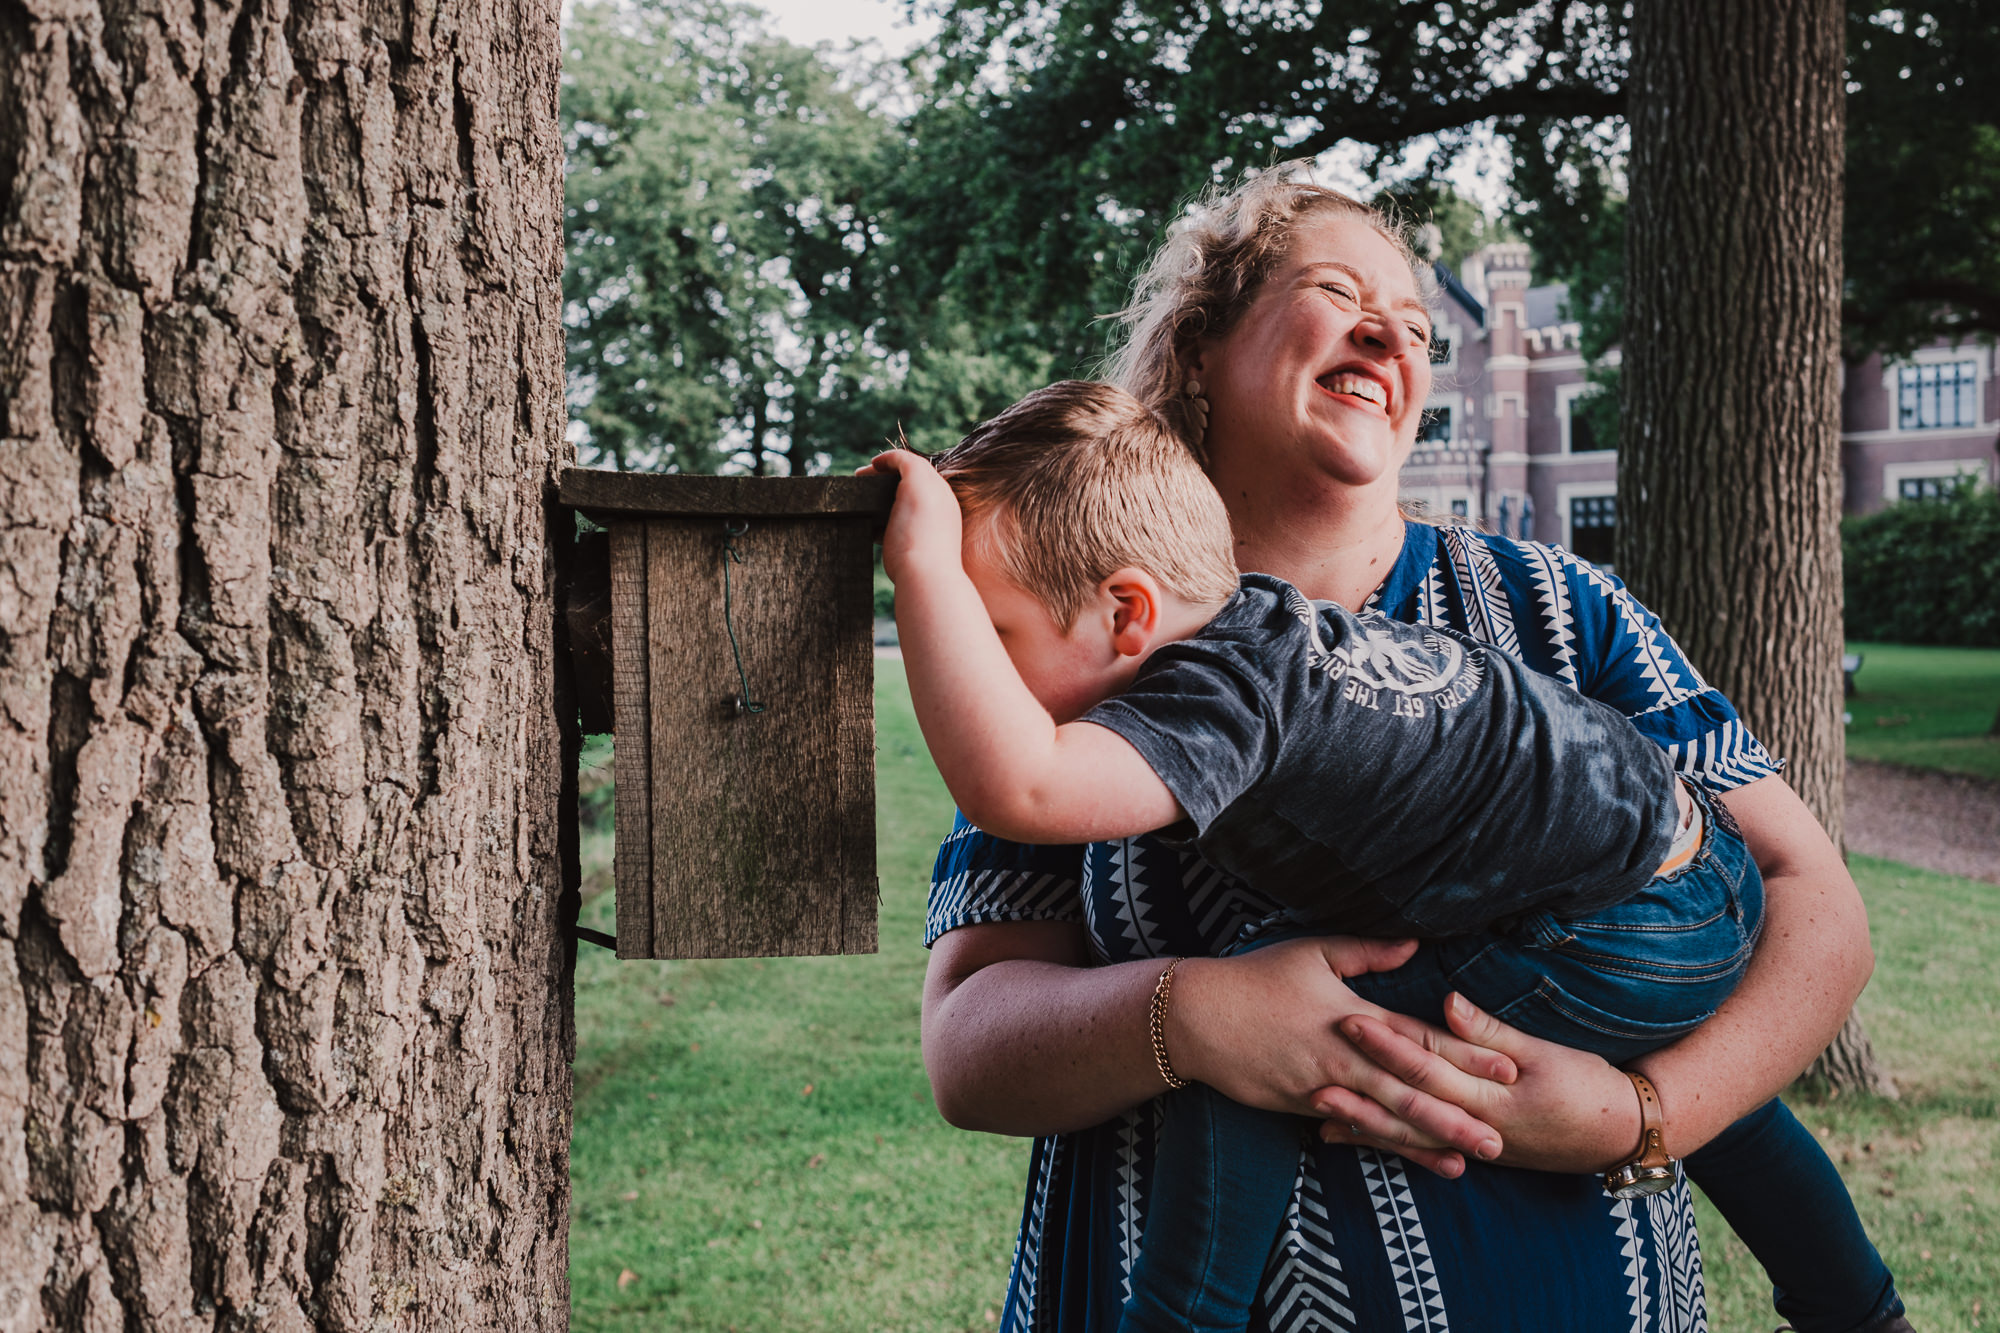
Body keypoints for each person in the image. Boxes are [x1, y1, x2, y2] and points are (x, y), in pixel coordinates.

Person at [909, 164, 1904, 1333]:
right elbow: (967, 1046)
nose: (1391, 331)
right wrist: (1192, 1016)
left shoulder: (1560, 607)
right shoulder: (1080, 646)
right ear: (1199, 346)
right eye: (1336, 291)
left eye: (1420, 323)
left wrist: (1644, 1113)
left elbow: (1806, 901)